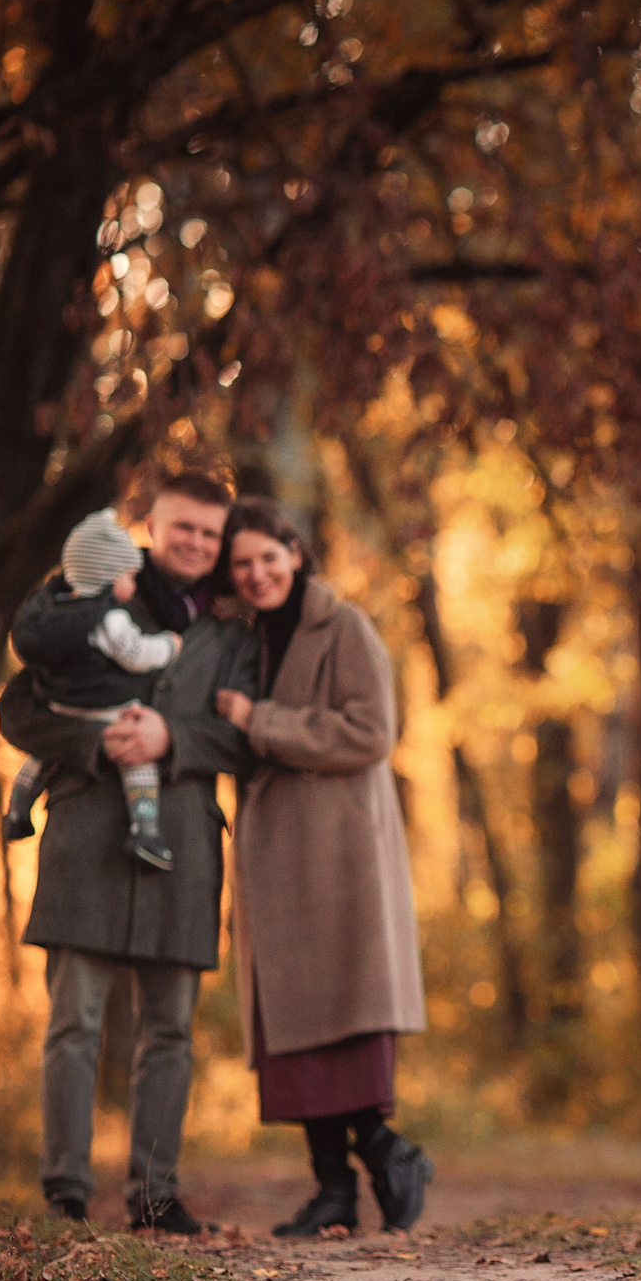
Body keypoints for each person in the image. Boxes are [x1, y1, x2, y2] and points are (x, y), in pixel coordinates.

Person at [0, 471, 259, 1233]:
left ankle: (153, 1194)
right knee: (73, 1019)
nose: (197, 545)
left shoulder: (232, 634)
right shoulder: (91, 597)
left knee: (170, 1026)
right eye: (185, 529)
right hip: (86, 834)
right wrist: (91, 740)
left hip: (183, 842)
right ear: (155, 523)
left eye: (211, 535)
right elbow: (17, 707)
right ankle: (65, 1192)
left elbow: (246, 737)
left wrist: (172, 737)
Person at [212, 498, 434, 1238]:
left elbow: (373, 733)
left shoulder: (345, 627)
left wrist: (260, 721)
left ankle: (388, 1153)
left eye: (268, 558)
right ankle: (335, 1188)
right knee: (297, 1028)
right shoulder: (242, 637)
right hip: (276, 857)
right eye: (242, 563)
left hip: (340, 858)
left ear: (295, 553)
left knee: (341, 1017)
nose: (256, 574)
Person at [1, 508, 187, 869]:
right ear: (110, 576)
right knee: (138, 759)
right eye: (130, 576)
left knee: (42, 755)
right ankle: (145, 829)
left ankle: (17, 810)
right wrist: (168, 646)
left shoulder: (54, 610)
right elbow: (136, 655)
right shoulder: (111, 618)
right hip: (105, 708)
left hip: (60, 707)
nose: (133, 586)